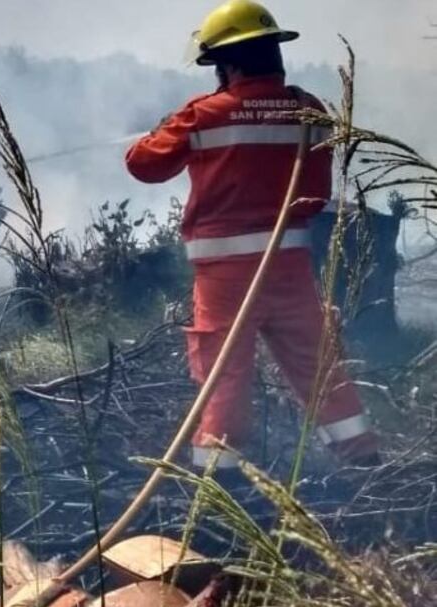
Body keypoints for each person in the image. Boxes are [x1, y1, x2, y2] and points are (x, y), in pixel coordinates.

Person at [125, 0, 381, 475]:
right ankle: (368, 466)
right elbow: (313, 196)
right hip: (289, 270)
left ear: (229, 64)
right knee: (318, 369)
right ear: (274, 55)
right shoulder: (310, 111)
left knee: (223, 381)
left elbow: (143, 165)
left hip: (225, 279)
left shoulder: (203, 114)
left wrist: (169, 125)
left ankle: (217, 489)